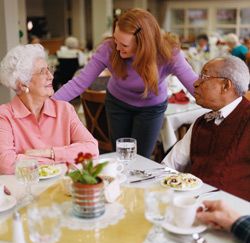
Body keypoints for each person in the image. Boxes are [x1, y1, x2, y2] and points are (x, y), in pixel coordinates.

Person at [53, 8, 197, 158]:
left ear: (144, 44)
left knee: (141, 159)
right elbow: (79, 83)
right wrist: (49, 104)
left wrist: (220, 106)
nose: (117, 47)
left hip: (151, 108)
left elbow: (194, 84)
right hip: (117, 103)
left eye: (124, 45)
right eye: (116, 39)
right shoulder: (108, 49)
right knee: (120, 155)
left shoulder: (168, 53)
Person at [0, 44, 99, 175]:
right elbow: (7, 165)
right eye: (42, 71)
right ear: (23, 84)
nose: (51, 76)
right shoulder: (4, 116)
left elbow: (92, 149)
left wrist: (48, 152)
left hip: (62, 186)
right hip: (25, 190)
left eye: (49, 69)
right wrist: (64, 158)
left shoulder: (64, 110)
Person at [162, 55, 250, 200]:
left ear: (226, 86)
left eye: (204, 76)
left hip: (233, 214)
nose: (195, 83)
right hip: (190, 204)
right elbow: (169, 165)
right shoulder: (202, 122)